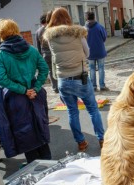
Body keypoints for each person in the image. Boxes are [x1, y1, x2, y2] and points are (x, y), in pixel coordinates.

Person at [44, 7, 105, 151]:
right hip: (80, 76)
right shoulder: (78, 34)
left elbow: (54, 57)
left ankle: (81, 142)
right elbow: (88, 52)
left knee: (72, 112)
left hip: (63, 79)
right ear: (68, 18)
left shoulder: (50, 38)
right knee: (92, 109)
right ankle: (102, 139)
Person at [0, 19, 51, 164]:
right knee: (40, 128)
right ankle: (50, 166)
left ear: (1, 34)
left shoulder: (0, 55)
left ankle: (36, 171)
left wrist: (24, 90)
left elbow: (0, 79)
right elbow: (44, 69)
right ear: (16, 30)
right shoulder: (31, 49)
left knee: (25, 134)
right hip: (35, 96)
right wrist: (35, 88)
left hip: (15, 99)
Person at [85, 11, 109, 92]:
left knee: (91, 69)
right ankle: (102, 85)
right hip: (100, 51)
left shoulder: (84, 28)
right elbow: (104, 37)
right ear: (94, 17)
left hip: (89, 52)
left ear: (87, 18)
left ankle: (93, 86)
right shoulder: (99, 27)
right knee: (101, 68)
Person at [36, 12, 58, 93]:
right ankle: (59, 85)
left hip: (45, 54)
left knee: (51, 71)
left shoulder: (38, 31)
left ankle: (55, 87)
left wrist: (41, 56)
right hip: (54, 53)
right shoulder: (51, 29)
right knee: (58, 69)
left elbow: (38, 46)